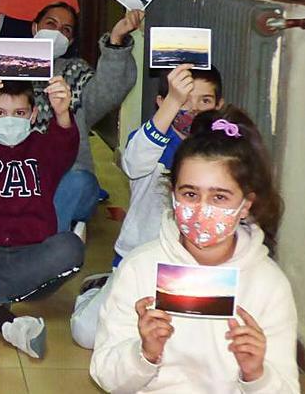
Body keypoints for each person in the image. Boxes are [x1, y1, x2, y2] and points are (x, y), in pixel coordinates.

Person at [91, 107, 298, 392]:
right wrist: (144, 354)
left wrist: (256, 374)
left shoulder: (269, 285)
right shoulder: (140, 268)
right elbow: (106, 376)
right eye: (190, 194)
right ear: (172, 194)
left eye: (220, 197)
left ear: (246, 204)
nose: (202, 209)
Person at [71, 64, 224, 349]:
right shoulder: (148, 142)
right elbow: (133, 163)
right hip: (138, 262)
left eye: (204, 101)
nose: (192, 111)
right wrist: (172, 103)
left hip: (193, 272)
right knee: (88, 335)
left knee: (192, 345)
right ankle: (97, 290)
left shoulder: (224, 153)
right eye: (182, 100)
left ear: (219, 106)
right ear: (162, 103)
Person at [0, 75, 81, 359]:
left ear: (33, 114)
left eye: (19, 113)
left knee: (70, 246)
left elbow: (66, 144)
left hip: (32, 257)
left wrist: (62, 111)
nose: (9, 120)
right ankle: (8, 323)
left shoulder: (44, 147)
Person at [25, 4, 140, 236]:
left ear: (70, 40)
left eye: (65, 29)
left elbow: (109, 90)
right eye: (51, 24)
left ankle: (48, 242)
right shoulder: (8, 65)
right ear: (35, 27)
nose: (57, 32)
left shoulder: (75, 71)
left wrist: (116, 40)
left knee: (81, 184)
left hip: (66, 179)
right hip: (16, 176)